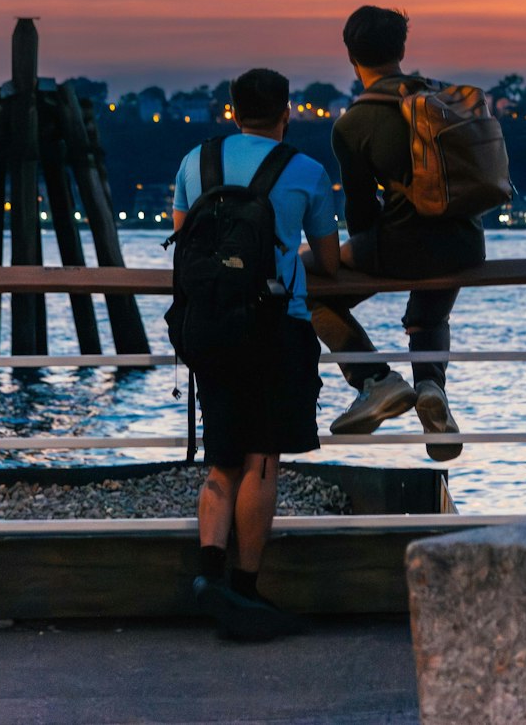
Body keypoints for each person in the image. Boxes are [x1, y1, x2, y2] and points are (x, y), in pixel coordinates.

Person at [172, 66, 340, 640]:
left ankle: (207, 578)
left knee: (222, 458)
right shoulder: (308, 172)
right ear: (286, 112)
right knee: (262, 458)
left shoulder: (196, 163)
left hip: (209, 327)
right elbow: (330, 260)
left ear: (233, 110)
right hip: (275, 329)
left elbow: (185, 238)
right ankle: (245, 589)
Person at [308, 6, 485, 461]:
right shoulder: (440, 98)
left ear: (351, 56)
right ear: (402, 50)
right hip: (466, 244)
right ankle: (430, 385)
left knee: (298, 283)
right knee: (427, 317)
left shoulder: (353, 124)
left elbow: (361, 210)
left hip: (402, 247)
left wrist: (354, 252)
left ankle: (374, 379)